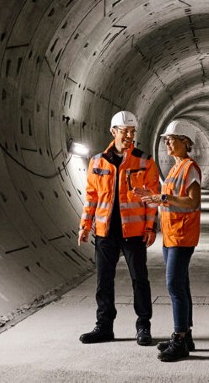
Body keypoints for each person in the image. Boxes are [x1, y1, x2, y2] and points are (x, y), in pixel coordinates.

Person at [77, 110, 161, 346]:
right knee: (103, 281)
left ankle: (143, 326)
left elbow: (151, 198)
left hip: (134, 232)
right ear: (113, 132)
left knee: (139, 280)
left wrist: (150, 227)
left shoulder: (144, 161)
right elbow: (92, 197)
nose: (129, 136)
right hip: (105, 232)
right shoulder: (97, 161)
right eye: (125, 132)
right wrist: (85, 225)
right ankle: (104, 327)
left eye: (132, 132)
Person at [135, 119, 202, 362]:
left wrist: (162, 198)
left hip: (182, 235)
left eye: (171, 140)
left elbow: (193, 201)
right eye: (166, 141)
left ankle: (179, 338)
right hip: (171, 234)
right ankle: (187, 336)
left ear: (185, 142)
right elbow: (169, 197)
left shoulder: (189, 168)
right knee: (181, 285)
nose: (167, 144)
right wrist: (154, 197)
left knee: (174, 285)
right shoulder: (175, 168)